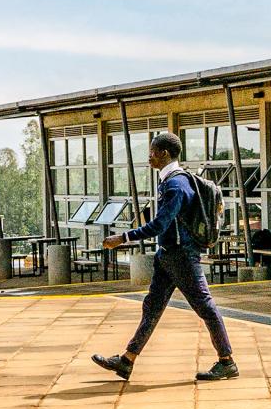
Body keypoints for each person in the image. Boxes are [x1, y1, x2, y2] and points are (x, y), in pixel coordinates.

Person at [92, 132, 238, 383]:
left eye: (152, 152)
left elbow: (160, 224)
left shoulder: (175, 185)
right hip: (168, 255)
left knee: (205, 306)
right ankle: (127, 360)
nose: (149, 156)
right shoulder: (174, 180)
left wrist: (123, 238)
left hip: (181, 256)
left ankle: (227, 361)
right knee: (152, 307)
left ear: (164, 154)